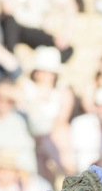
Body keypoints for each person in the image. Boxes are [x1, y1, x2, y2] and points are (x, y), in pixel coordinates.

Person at [19, 46, 75, 180]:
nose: (44, 75)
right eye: (41, 70)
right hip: (28, 135)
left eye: (48, 71)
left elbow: (62, 119)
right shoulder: (25, 86)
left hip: (52, 136)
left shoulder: (63, 90)